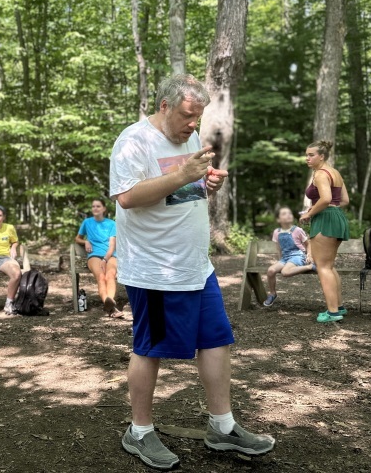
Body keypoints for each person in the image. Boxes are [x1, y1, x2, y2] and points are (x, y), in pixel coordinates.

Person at [110, 75, 275, 470]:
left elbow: (182, 191)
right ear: (164, 105)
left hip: (197, 266)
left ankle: (223, 427)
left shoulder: (190, 136)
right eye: (187, 115)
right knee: (149, 348)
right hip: (155, 270)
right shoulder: (133, 141)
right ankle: (139, 431)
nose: (193, 124)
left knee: (216, 341)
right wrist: (183, 175)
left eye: (197, 116)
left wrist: (204, 184)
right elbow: (127, 197)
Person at [299, 140, 350, 323]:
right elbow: (344, 200)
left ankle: (333, 312)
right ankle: (339, 306)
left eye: (311, 155)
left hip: (325, 219)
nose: (307, 158)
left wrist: (310, 213)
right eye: (306, 155)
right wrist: (323, 209)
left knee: (323, 267)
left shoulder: (321, 174)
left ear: (321, 156)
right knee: (329, 265)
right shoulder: (334, 172)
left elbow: (326, 198)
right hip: (336, 217)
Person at [75, 198, 123, 318]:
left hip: (110, 255)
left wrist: (105, 259)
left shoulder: (111, 224)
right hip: (94, 255)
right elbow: (77, 238)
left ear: (104, 209)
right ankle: (111, 306)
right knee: (101, 277)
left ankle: (109, 303)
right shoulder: (87, 222)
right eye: (93, 206)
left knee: (110, 275)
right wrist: (85, 241)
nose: (95, 208)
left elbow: (112, 246)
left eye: (98, 206)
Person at [263, 207, 316, 307]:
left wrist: (309, 256)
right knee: (270, 271)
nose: (288, 215)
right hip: (285, 258)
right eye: (284, 214)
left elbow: (308, 244)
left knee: (285, 272)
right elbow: (278, 248)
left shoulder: (297, 230)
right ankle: (273, 294)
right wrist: (280, 261)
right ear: (278, 219)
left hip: (298, 256)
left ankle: (310, 266)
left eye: (289, 213)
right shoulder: (277, 232)